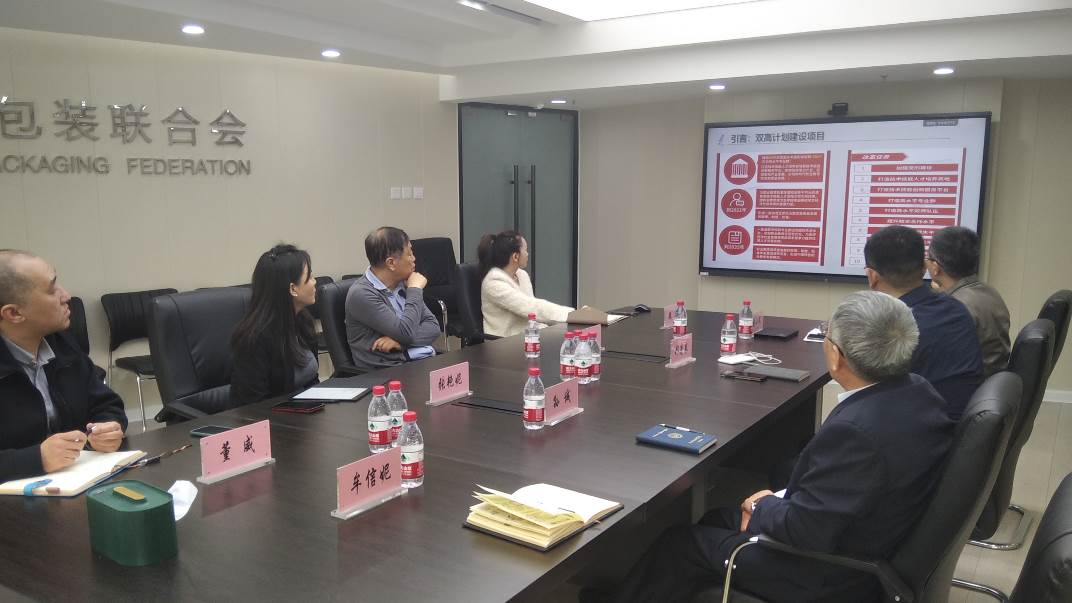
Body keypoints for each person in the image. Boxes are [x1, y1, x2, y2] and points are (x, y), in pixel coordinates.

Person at [604, 291, 955, 602]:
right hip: (869, 538)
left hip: (825, 573)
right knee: (715, 518)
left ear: (837, 356)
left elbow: (805, 532)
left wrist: (763, 506)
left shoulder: (856, 433)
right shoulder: (920, 391)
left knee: (680, 544)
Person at [0, 250, 127, 482]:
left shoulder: (61, 343)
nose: (66, 295)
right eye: (52, 290)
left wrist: (108, 427)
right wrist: (36, 458)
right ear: (14, 313)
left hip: (77, 481)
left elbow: (106, 404)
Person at [864, 225, 983, 420]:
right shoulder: (956, 308)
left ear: (872, 276)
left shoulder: (894, 330)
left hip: (927, 429)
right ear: (924, 267)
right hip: (959, 421)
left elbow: (869, 397)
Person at [230, 244, 320, 406]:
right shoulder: (254, 339)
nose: (314, 282)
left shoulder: (303, 320)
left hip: (306, 413)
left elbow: (312, 381)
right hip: (274, 418)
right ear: (293, 289)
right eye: (309, 277)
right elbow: (255, 406)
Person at [345, 227, 440, 371]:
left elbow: (433, 326)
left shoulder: (402, 283)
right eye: (409, 254)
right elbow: (405, 333)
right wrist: (415, 290)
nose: (414, 259)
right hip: (386, 371)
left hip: (418, 362)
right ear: (391, 263)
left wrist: (400, 343)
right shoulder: (362, 294)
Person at [927, 226, 1011, 377]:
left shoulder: (953, 309)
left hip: (969, 384)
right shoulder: (989, 291)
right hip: (992, 380)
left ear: (935, 268)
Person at [478, 231, 573, 338]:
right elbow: (531, 307)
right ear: (515, 256)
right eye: (525, 250)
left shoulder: (522, 275)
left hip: (529, 335)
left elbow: (534, 312)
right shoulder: (493, 282)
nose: (528, 254)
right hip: (504, 342)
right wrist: (571, 315)